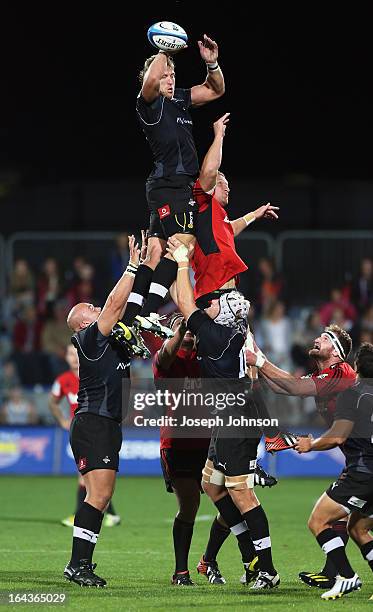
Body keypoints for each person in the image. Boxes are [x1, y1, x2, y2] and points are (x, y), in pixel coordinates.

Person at [167, 237, 279, 591]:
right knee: (212, 486)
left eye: (215, 302)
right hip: (229, 414)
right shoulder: (230, 328)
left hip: (235, 414)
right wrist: (180, 264)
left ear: (225, 311)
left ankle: (267, 569)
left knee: (241, 493)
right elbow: (181, 296)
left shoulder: (215, 335)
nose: (209, 304)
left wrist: (184, 260)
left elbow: (185, 301)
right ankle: (249, 559)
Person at [121, 36, 225, 343]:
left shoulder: (179, 98)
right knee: (183, 246)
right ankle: (148, 313)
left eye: (173, 73)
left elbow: (216, 89)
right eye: (165, 74)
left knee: (155, 254)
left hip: (165, 187)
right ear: (151, 79)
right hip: (172, 186)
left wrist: (211, 62)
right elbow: (153, 76)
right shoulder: (148, 103)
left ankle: (128, 322)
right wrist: (164, 50)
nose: (170, 78)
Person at [246, 324, 357, 587]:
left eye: (326, 338)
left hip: (366, 457)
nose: (318, 338)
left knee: (334, 519)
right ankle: (334, 574)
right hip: (358, 456)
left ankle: (345, 577)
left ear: (337, 352)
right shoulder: (326, 375)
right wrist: (256, 352)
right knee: (346, 517)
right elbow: (283, 387)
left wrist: (259, 360)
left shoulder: (340, 372)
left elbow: (294, 388)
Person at [62, 235, 140, 587]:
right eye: (90, 310)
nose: (97, 310)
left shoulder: (107, 340)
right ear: (82, 324)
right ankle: (77, 565)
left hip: (105, 424)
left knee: (102, 496)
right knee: (100, 495)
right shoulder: (89, 338)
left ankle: (80, 564)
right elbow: (113, 304)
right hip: (93, 421)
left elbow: (123, 309)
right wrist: (132, 266)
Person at [294, 342, 373, 600]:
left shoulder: (353, 393)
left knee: (318, 521)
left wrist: (310, 444)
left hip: (363, 472)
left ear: (357, 366)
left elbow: (338, 436)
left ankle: (347, 576)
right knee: (358, 528)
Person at [49, 344, 121, 528]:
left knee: (87, 476)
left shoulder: (92, 375)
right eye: (70, 354)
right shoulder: (63, 380)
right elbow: (52, 402)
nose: (73, 357)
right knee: (88, 476)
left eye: (76, 353)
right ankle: (110, 514)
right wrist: (63, 420)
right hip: (80, 432)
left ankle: (79, 515)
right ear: (65, 357)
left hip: (98, 429)